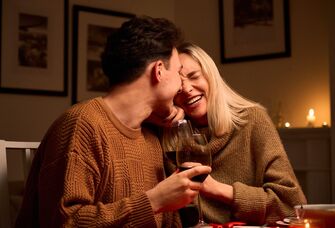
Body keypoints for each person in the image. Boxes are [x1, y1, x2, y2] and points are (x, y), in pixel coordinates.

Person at [15, 17, 211, 227]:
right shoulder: (82, 125)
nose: (181, 86)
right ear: (159, 70)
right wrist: (154, 201)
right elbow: (64, 221)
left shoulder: (150, 138)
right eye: (178, 72)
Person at [161, 43, 307, 226]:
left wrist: (217, 189)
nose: (187, 89)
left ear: (211, 76)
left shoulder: (252, 121)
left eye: (194, 76)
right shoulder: (170, 137)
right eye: (178, 85)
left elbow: (292, 206)